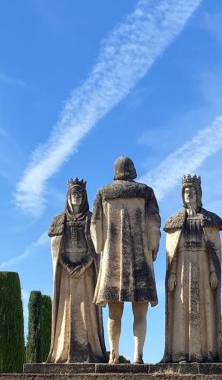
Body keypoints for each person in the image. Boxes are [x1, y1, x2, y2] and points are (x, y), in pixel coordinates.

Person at [91, 156, 161, 364]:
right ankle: (138, 355)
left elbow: (96, 225)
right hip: (140, 259)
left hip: (112, 258)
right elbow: (153, 223)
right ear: (132, 170)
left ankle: (113, 355)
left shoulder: (103, 193)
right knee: (140, 310)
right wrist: (153, 249)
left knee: (114, 312)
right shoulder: (145, 192)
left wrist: (100, 249)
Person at [162, 175, 222, 363]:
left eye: (192, 191)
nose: (189, 194)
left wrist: (214, 271)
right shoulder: (174, 221)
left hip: (203, 266)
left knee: (204, 309)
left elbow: (213, 250)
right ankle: (180, 353)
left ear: (198, 193)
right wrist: (172, 273)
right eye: (185, 191)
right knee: (182, 309)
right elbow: (172, 251)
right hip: (182, 267)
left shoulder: (210, 220)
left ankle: (205, 353)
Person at [46, 179, 107, 363]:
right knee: (66, 310)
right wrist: (67, 265)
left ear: (84, 196)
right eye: (74, 193)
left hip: (86, 272)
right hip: (66, 273)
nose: (77, 197)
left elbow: (96, 249)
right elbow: (57, 250)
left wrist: (84, 265)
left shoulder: (91, 219)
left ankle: (90, 350)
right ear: (68, 196)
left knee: (88, 310)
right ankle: (62, 352)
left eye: (80, 194)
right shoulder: (59, 220)